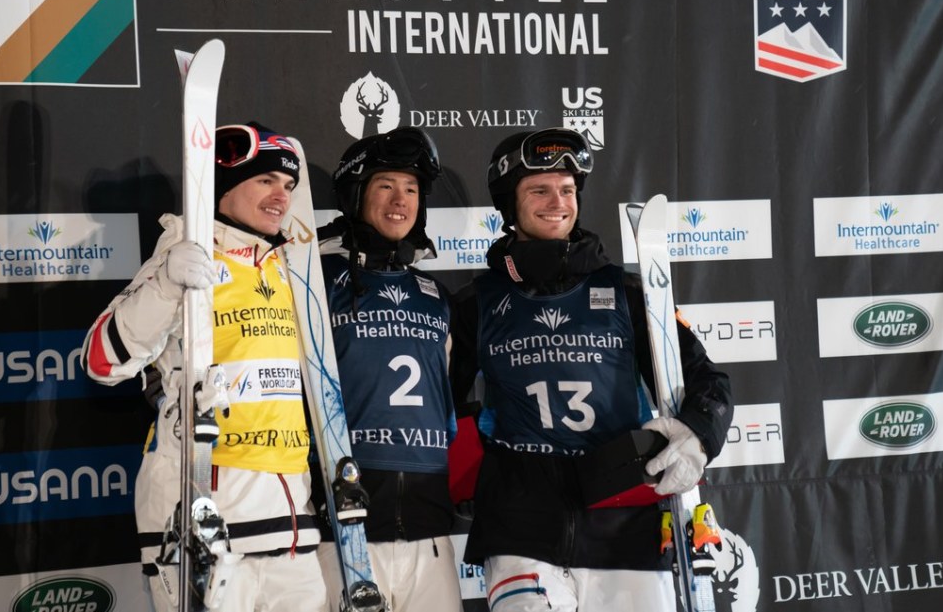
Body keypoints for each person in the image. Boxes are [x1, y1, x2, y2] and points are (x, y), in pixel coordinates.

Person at [449, 127, 733, 611]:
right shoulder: (479, 303)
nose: (556, 201)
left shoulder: (627, 293)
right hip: (521, 527)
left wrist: (699, 435)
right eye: (538, 190)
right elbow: (442, 404)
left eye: (566, 189)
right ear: (508, 204)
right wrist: (469, 474)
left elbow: (707, 378)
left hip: (625, 519)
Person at [82, 123, 326, 612]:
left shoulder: (291, 268)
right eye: (266, 181)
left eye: (289, 186)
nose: (283, 196)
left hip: (291, 521)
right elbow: (101, 362)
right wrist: (167, 285)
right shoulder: (183, 255)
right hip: (202, 517)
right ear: (224, 185)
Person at [314, 127, 464, 611]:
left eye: (412, 189)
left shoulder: (435, 295)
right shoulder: (315, 280)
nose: (401, 200)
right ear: (356, 193)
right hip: (345, 527)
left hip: (430, 529)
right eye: (386, 186)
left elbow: (453, 399)